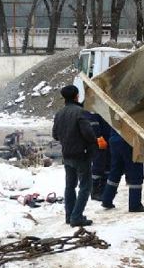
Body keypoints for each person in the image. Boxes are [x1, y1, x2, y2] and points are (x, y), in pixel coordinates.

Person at [51, 85, 98, 227]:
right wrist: (95, 141)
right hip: (81, 155)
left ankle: (69, 215)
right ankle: (76, 217)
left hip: (67, 155)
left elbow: (55, 135)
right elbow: (88, 134)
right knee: (85, 186)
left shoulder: (59, 113)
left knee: (70, 186)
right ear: (77, 96)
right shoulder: (80, 112)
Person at [101, 128, 144, 213]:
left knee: (115, 171)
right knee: (136, 172)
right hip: (129, 141)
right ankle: (135, 205)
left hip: (114, 140)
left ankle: (106, 200)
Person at [84, 110, 111, 201]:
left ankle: (104, 189)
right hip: (99, 141)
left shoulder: (102, 108)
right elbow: (93, 124)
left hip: (106, 140)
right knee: (98, 165)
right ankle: (95, 191)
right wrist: (98, 137)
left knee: (107, 165)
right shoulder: (93, 108)